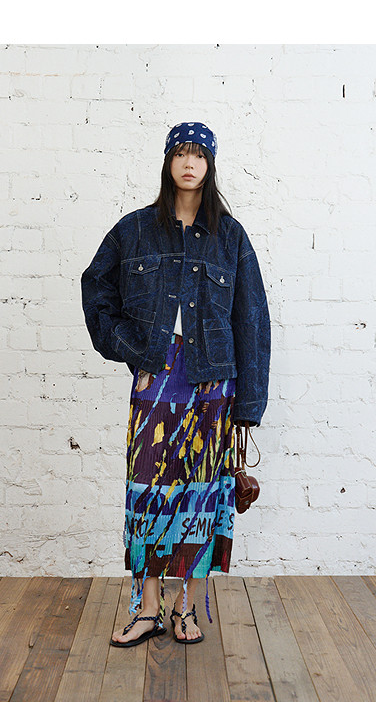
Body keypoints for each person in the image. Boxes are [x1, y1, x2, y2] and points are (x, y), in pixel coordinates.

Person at [80, 121, 271, 647]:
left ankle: (186, 609)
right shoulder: (134, 230)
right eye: (181, 153)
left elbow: (252, 320)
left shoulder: (231, 237)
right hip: (157, 379)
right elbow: (96, 290)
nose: (190, 163)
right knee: (147, 492)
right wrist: (132, 347)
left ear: (210, 165)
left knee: (201, 497)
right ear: (168, 162)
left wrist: (249, 405)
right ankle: (147, 609)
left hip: (213, 384)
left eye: (199, 155)